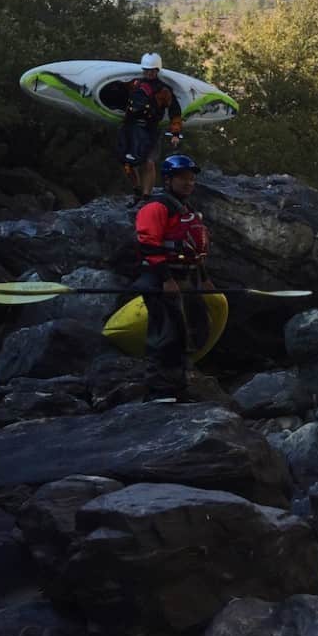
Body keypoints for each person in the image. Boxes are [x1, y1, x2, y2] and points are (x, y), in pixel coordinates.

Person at [133, 154, 213, 393]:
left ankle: (178, 385)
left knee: (191, 331)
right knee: (166, 335)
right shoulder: (157, 207)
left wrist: (205, 278)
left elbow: (193, 248)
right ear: (168, 180)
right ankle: (159, 390)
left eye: (191, 179)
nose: (189, 183)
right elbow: (149, 245)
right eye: (182, 179)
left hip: (183, 278)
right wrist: (166, 279)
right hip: (158, 279)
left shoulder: (187, 210)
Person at [117, 53, 183, 205]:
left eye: (152, 70)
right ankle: (137, 190)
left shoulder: (164, 91)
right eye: (146, 70)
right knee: (126, 163)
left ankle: (146, 197)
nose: (149, 73)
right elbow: (118, 94)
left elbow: (175, 112)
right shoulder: (134, 84)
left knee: (149, 162)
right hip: (130, 127)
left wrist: (175, 133)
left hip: (150, 130)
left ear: (157, 70)